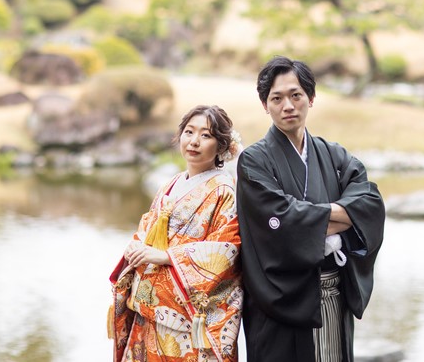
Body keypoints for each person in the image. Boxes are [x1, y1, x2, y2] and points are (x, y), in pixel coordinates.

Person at [236, 56, 385, 362]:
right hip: (280, 302)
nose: (287, 106)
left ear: (311, 98)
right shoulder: (254, 161)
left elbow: (370, 203)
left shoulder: (334, 155)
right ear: (265, 105)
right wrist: (346, 216)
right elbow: (281, 220)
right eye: (276, 98)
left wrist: (308, 217)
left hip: (332, 295)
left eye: (296, 95)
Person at [109, 105, 244, 362]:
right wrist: (135, 248)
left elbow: (226, 250)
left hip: (187, 316)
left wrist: (167, 257)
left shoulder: (223, 190)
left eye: (206, 135)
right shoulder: (171, 184)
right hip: (150, 307)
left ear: (222, 145)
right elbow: (148, 231)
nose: (194, 141)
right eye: (189, 132)